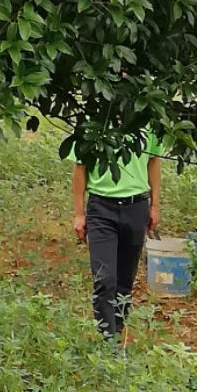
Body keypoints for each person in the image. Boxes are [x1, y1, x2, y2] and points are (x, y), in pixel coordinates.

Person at [71, 127, 165, 346]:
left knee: (124, 281)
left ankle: (117, 332)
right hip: (101, 208)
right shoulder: (93, 120)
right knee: (104, 278)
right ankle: (107, 340)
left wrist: (155, 205)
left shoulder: (148, 121)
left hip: (136, 207)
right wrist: (78, 213)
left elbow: (153, 161)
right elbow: (80, 166)